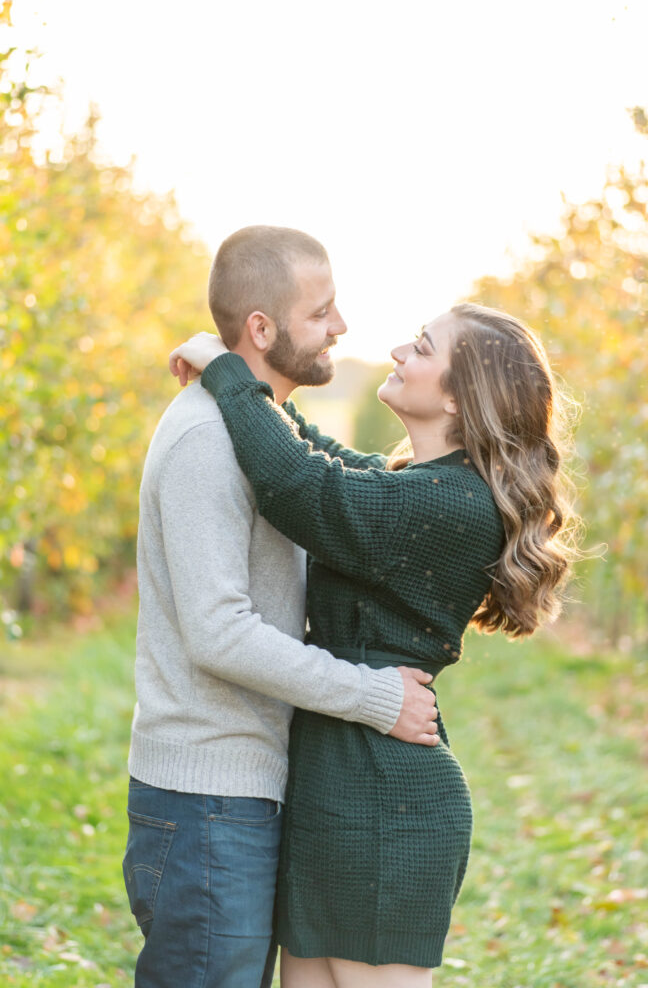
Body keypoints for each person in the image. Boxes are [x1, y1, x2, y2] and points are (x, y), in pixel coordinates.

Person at [170, 300, 577, 988]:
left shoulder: (452, 503)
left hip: (390, 807)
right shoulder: (418, 485)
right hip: (331, 784)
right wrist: (253, 381)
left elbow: (301, 485)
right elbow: (320, 457)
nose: (397, 352)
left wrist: (230, 374)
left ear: (458, 394)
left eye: (421, 348)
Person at [124, 226, 440, 988]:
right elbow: (219, 634)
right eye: (321, 312)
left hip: (235, 797)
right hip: (206, 800)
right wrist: (372, 697)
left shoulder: (251, 427)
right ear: (262, 330)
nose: (341, 327)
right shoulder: (208, 439)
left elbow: (332, 474)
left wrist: (217, 357)